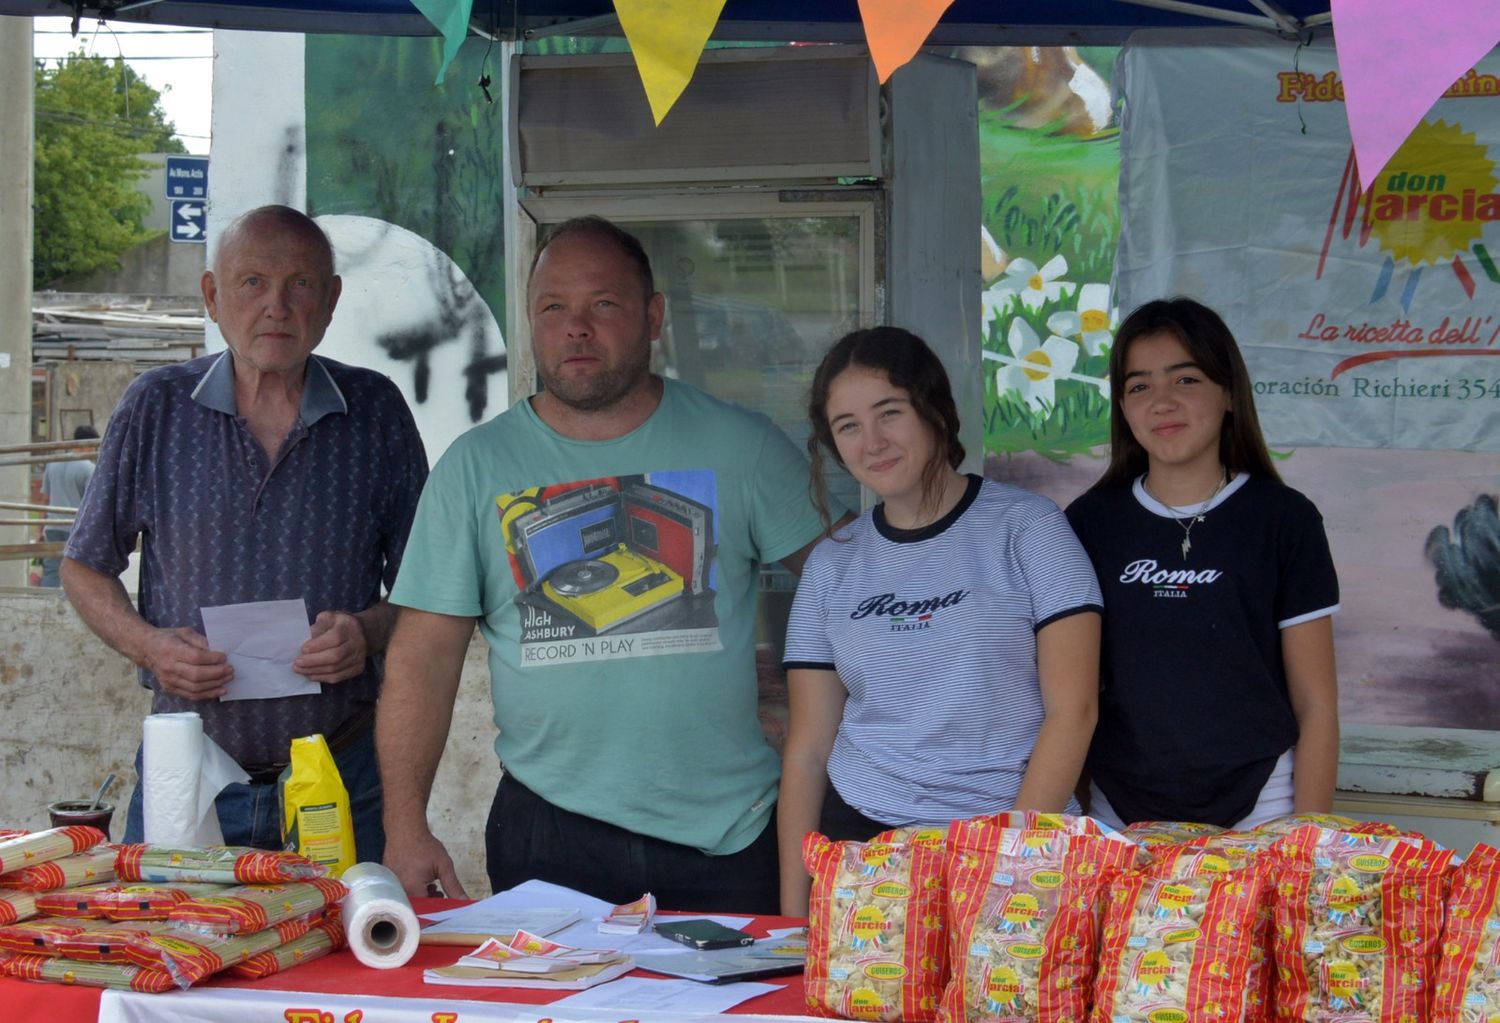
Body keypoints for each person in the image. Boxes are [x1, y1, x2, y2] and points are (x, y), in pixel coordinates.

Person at [377, 215, 832, 912]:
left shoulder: (743, 446)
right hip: (550, 835)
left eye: (603, 304)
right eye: (552, 308)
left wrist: (811, 686)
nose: (575, 328)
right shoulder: (475, 467)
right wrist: (404, 826)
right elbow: (421, 660)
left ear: (653, 316)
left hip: (731, 832)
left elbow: (851, 584)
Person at [61, 204, 429, 861]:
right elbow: (84, 565)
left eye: (302, 284)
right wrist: (151, 646)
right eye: (252, 282)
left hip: (341, 776)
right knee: (177, 952)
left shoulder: (375, 411)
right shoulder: (156, 407)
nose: (277, 306)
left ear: (332, 299)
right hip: (189, 771)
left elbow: (427, 586)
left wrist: (367, 631)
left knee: (342, 954)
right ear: (213, 295)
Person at [778, 327, 1102, 915]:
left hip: (1011, 840)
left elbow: (1073, 710)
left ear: (935, 411)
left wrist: (1008, 870)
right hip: (865, 844)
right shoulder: (832, 563)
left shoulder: (1029, 528)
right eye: (848, 425)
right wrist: (793, 912)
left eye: (889, 413)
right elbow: (807, 749)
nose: (872, 441)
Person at [1065, 297, 1340, 830]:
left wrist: (1310, 844)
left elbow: (1316, 704)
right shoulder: (1089, 524)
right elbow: (1070, 696)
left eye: (1185, 380)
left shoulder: (1284, 519)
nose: (1161, 403)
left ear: (1229, 392)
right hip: (1117, 813)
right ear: (1122, 407)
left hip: (1261, 809)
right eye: (1139, 386)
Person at [38, 425, 99, 588]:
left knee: (51, 570)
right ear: (88, 444)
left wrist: (40, 529)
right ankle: (71, 608)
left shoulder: (53, 464)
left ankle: (47, 607)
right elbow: (92, 503)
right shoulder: (89, 468)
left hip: (52, 527)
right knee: (77, 571)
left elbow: (45, 499)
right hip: (75, 528)